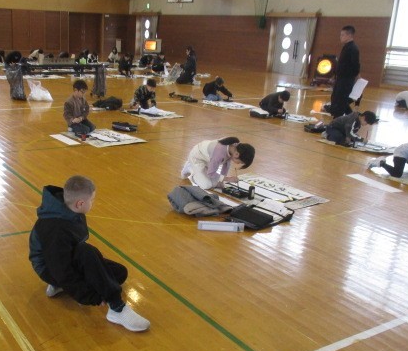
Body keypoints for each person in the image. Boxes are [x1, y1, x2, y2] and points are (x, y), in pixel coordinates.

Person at [29, 175, 150, 332]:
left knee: (119, 273)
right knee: (87, 252)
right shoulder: (55, 229)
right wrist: (91, 296)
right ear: (80, 203)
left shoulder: (68, 209)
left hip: (62, 259)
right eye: (92, 200)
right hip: (50, 269)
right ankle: (117, 308)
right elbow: (60, 269)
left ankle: (61, 286)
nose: (93, 203)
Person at [180, 137, 255, 190]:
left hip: (208, 159)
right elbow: (211, 173)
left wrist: (222, 181)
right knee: (206, 185)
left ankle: (198, 170)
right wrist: (228, 179)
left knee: (215, 184)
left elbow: (226, 165)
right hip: (197, 158)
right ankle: (190, 168)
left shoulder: (234, 147)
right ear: (237, 154)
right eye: (240, 162)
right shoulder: (219, 152)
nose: (239, 163)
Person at [328, 25, 360, 118]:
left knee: (340, 102)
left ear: (349, 35)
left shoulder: (353, 48)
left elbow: (356, 66)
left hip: (346, 80)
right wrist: (335, 75)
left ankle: (339, 120)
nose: (340, 37)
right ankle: (352, 119)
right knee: (336, 99)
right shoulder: (346, 47)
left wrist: (351, 78)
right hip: (341, 79)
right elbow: (341, 64)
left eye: (342, 35)